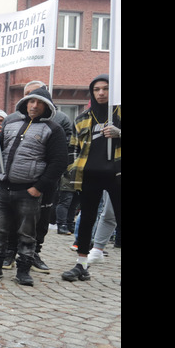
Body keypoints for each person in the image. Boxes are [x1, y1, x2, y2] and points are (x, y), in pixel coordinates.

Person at [0, 88, 67, 286]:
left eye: (39, 102)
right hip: (1, 187)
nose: (34, 105)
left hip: (28, 190)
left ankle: (24, 269)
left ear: (47, 106)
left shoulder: (53, 129)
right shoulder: (10, 122)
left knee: (27, 233)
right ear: (25, 103)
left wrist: (39, 187)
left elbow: (59, 162)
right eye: (31, 101)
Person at [2, 81, 74, 273]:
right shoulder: (11, 119)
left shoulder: (60, 120)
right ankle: (10, 252)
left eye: (37, 97)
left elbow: (62, 153)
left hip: (44, 181)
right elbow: (1, 149)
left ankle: (34, 253)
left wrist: (42, 180)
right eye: (28, 97)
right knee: (11, 218)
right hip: (17, 182)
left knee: (40, 220)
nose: (33, 103)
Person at [62, 75, 121, 282]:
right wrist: (73, 171)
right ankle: (81, 265)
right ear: (92, 92)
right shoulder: (83, 118)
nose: (101, 93)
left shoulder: (119, 113)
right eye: (97, 89)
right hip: (89, 176)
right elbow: (72, 148)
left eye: (105, 89)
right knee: (86, 219)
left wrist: (120, 132)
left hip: (116, 174)